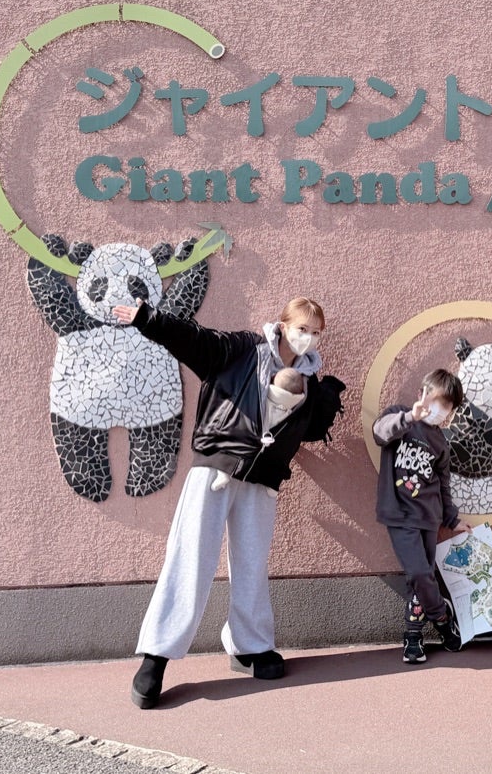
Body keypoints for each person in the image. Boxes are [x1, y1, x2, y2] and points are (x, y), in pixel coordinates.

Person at [112, 296, 343, 709]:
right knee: (191, 557)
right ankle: (156, 656)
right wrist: (150, 319)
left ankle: (249, 646)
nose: (307, 338)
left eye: (315, 332)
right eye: (301, 328)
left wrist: (322, 402)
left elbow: (305, 432)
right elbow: (196, 341)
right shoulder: (243, 350)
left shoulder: (309, 380)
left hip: (263, 480)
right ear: (283, 325)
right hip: (216, 465)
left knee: (252, 564)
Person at [373, 369, 472, 664]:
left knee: (420, 578)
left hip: (429, 518)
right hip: (399, 514)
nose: (439, 409)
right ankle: (441, 616)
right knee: (419, 573)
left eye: (447, 406)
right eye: (436, 401)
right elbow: (380, 433)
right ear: (421, 394)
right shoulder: (399, 416)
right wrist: (409, 418)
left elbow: (443, 486)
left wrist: (452, 520)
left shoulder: (440, 443)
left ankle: (413, 635)